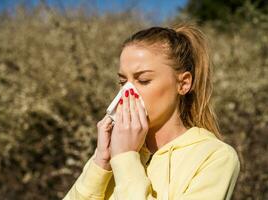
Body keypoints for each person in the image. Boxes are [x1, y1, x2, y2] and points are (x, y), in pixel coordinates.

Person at [63, 22, 240, 200]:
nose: (127, 94)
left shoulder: (215, 157)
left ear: (183, 83)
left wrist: (126, 160)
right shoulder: (111, 156)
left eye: (144, 80)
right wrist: (100, 162)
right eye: (123, 82)